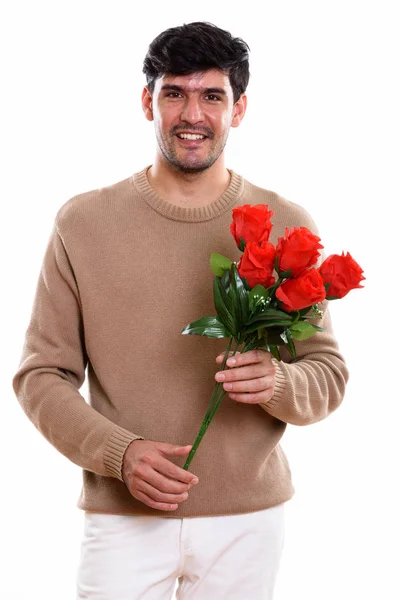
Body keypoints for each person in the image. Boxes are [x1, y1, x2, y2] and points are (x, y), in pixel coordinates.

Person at [12, 21, 349, 600]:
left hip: (247, 522)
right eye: (175, 93)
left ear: (238, 109)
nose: (192, 113)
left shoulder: (287, 220)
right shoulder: (83, 223)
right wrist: (119, 455)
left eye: (212, 96)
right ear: (149, 101)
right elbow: (41, 376)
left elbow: (327, 374)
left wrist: (277, 380)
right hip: (123, 518)